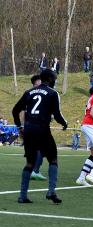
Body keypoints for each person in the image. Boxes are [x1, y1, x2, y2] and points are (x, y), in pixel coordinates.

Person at [12, 69, 67, 204]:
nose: (55, 81)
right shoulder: (52, 93)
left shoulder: (29, 92)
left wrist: (20, 127)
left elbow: (15, 110)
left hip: (29, 130)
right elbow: (57, 114)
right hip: (42, 130)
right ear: (48, 79)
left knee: (29, 162)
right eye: (54, 78)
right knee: (53, 159)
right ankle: (51, 191)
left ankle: (22, 196)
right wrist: (64, 123)